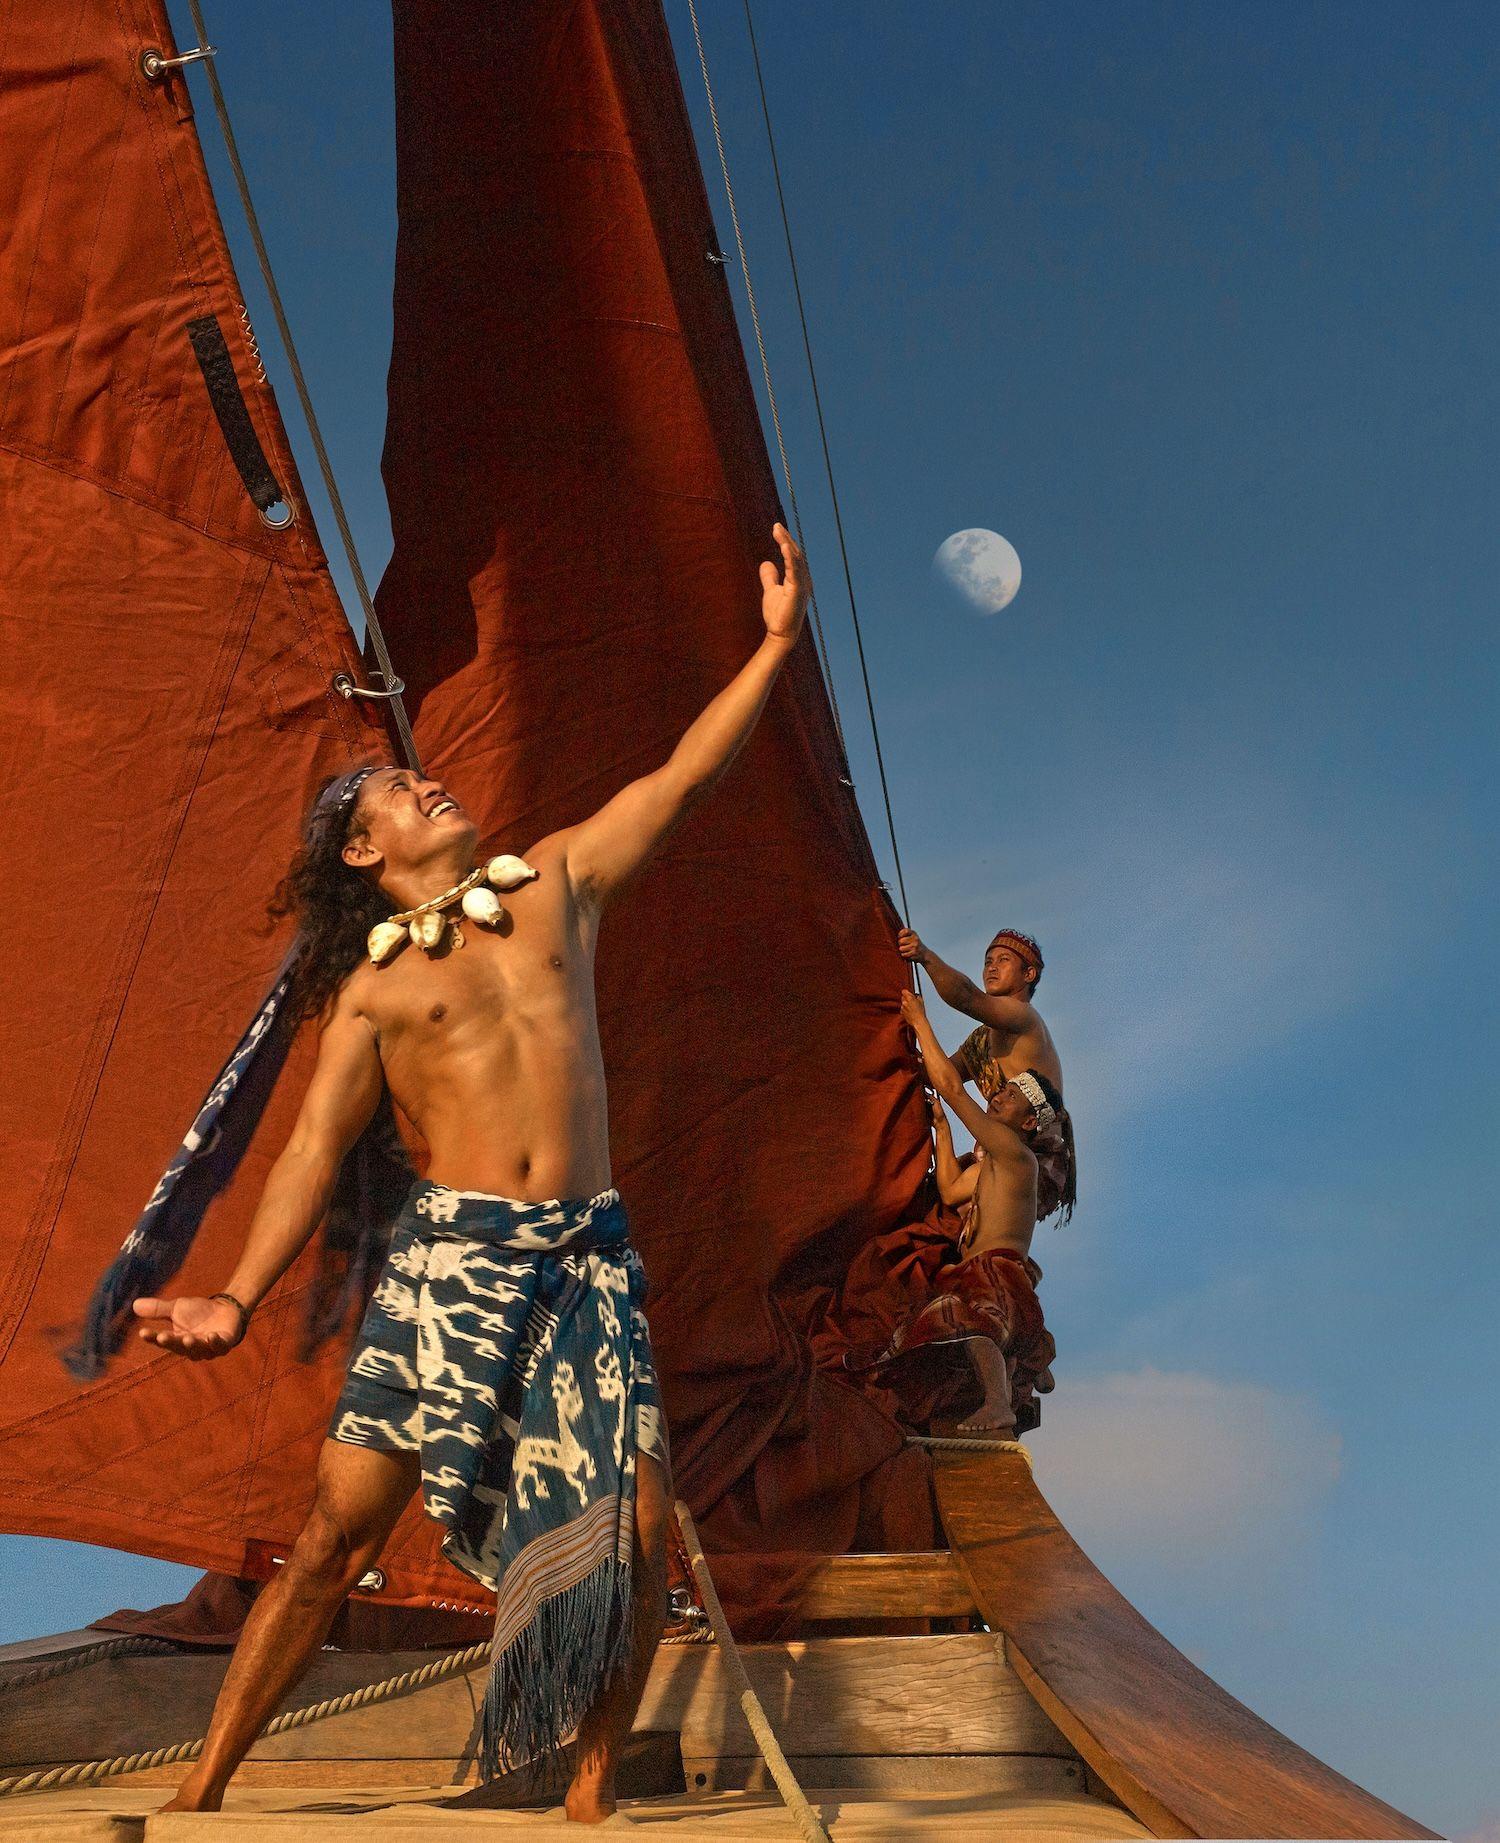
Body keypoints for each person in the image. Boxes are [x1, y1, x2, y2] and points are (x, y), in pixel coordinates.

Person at [107, 526, 808, 1822]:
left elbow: (683, 776)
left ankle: (589, 1795)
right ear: (365, 856)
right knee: (336, 1533)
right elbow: (314, 1146)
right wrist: (239, 1293)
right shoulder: (376, 986)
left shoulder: (554, 882)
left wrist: (770, 646)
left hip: (579, 1259)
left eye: (421, 779)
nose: (426, 786)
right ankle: (203, 1787)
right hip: (447, 1270)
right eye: (395, 793)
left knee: (637, 1526)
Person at [850, 988, 1058, 1438]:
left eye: (1012, 1097)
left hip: (997, 1268)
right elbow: (949, 1189)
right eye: (1001, 1090)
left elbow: (949, 1084)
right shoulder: (994, 1162)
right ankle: (1014, 1374)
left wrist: (920, 1021)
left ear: (1028, 1123)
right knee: (937, 1321)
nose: (998, 1097)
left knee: (974, 1319)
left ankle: (999, 1402)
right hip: (973, 1267)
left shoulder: (1014, 1152)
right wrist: (942, 1129)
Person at [896, 924, 1074, 1221]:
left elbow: (967, 997)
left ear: (1028, 975)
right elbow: (939, 1076)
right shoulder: (981, 1040)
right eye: (988, 961)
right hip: (996, 1151)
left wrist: (924, 956)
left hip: (1027, 1160)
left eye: (1003, 961)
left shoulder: (1025, 1019)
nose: (992, 968)